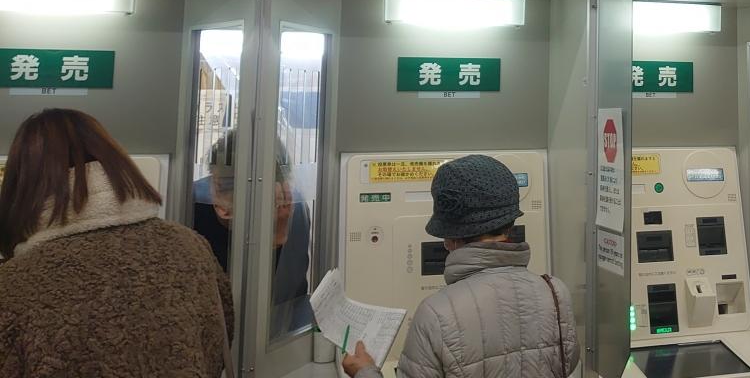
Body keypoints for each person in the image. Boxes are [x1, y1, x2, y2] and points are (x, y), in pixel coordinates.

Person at [0, 108, 234, 378]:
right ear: (115, 161)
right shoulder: (191, 247)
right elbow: (217, 342)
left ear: (20, 186)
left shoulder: (15, 285)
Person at [342, 155, 579, 378]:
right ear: (510, 224)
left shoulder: (434, 314)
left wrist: (364, 371)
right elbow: (567, 363)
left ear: (449, 238)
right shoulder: (555, 293)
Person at [192, 131, 314, 337]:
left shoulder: (292, 211)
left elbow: (290, 303)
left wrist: (275, 242)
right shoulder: (193, 204)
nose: (220, 199)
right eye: (219, 183)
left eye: (236, 188)